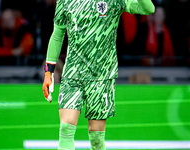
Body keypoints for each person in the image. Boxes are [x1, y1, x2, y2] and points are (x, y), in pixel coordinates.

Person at [43, 0, 155, 149]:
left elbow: (149, 9)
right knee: (66, 129)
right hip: (73, 73)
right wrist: (48, 72)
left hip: (102, 77)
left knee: (96, 139)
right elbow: (57, 35)